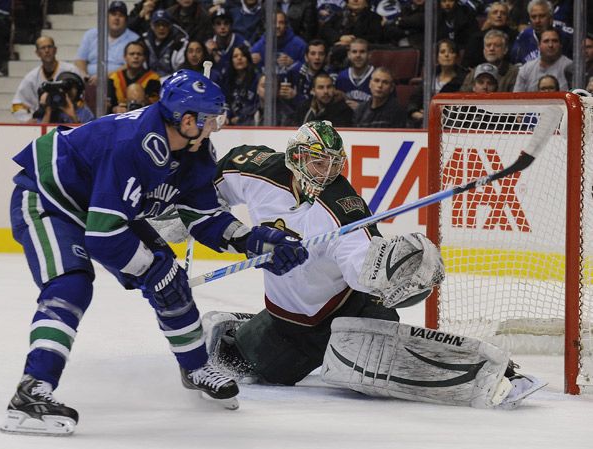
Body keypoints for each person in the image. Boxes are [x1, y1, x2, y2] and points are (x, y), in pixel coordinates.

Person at [0, 69, 308, 436]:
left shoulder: (195, 149)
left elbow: (204, 217)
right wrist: (149, 268)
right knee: (72, 284)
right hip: (50, 198)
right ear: (188, 120)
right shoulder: (133, 145)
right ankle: (31, 391)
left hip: (100, 209)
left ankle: (195, 368)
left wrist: (254, 240)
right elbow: (103, 236)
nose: (215, 127)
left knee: (170, 280)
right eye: (211, 119)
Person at [199, 120, 544, 410]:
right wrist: (215, 225)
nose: (328, 172)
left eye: (335, 164)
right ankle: (240, 327)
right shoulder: (252, 169)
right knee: (249, 366)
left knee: (382, 363)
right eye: (320, 163)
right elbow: (206, 190)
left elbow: (361, 265)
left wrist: (393, 270)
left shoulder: (343, 209)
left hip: (351, 309)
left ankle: (498, 373)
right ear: (296, 157)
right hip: (289, 321)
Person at [11, 36, 83, 123]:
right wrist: (27, 120)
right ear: (37, 53)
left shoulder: (71, 71)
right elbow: (17, 104)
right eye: (43, 48)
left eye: (49, 47)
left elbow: (81, 99)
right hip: (43, 119)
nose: (47, 50)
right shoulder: (31, 78)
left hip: (69, 119)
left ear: (55, 50)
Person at [75, 1, 140, 84]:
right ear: (107, 17)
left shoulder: (134, 39)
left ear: (126, 20)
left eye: (121, 15)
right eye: (113, 14)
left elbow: (133, 65)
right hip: (89, 81)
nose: (116, 18)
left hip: (119, 82)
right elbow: (80, 60)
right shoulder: (91, 34)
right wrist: (85, 77)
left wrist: (104, 77)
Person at [510, 0, 572, 65]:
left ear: (551, 18)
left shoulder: (567, 36)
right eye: (533, 17)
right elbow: (515, 63)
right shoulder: (523, 37)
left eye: (542, 16)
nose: (537, 21)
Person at [108, 41, 161, 114]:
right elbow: (109, 104)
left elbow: (154, 105)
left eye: (139, 54)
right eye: (132, 54)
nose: (135, 57)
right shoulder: (114, 78)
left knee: (135, 88)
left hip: (143, 117)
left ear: (145, 58)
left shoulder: (153, 78)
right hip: (118, 117)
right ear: (125, 57)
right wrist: (115, 109)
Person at [461, 1, 517, 69]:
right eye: (495, 12)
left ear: (507, 18)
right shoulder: (477, 38)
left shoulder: (516, 37)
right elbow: (467, 63)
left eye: (503, 13)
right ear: (489, 17)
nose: (499, 15)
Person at [513, 28, 572, 92]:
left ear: (561, 45)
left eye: (555, 41)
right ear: (539, 45)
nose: (550, 45)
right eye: (546, 41)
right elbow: (516, 98)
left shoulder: (570, 67)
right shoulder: (526, 70)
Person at [141, 9, 189, 81]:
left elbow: (181, 70)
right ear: (152, 26)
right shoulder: (144, 41)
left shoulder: (179, 43)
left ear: (170, 26)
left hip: (172, 81)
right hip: (148, 80)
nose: (161, 28)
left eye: (165, 24)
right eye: (157, 25)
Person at [221, 44, 261, 126]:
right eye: (235, 56)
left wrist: (241, 117)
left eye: (243, 55)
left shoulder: (256, 79)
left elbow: (257, 104)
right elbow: (225, 102)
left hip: (252, 123)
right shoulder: (227, 80)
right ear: (231, 61)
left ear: (248, 59)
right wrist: (227, 117)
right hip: (230, 124)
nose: (239, 58)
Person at [205, 8, 250, 74]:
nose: (222, 27)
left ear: (231, 25)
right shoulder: (207, 46)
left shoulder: (241, 43)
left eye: (226, 23)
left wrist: (216, 56)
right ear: (213, 26)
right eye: (218, 23)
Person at [334, 38, 374, 112]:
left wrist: (362, 109)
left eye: (362, 52)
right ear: (349, 55)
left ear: (369, 55)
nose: (358, 55)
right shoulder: (341, 77)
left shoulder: (377, 77)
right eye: (354, 52)